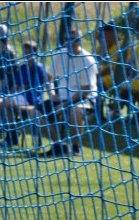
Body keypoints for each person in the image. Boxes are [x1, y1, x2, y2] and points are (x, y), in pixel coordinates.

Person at [40, 28, 99, 157]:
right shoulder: (59, 55)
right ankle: (58, 145)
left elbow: (86, 89)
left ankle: (76, 146)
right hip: (61, 97)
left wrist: (65, 105)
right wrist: (52, 94)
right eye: (69, 39)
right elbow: (48, 78)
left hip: (83, 98)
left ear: (81, 41)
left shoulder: (88, 60)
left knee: (75, 110)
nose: (72, 43)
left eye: (75, 40)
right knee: (35, 112)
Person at [0, 40, 51, 147]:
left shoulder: (38, 67)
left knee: (4, 104)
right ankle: (12, 133)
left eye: (30, 53)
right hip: (19, 97)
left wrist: (51, 95)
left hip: (31, 99)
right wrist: (12, 92)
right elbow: (16, 86)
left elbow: (38, 84)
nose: (27, 56)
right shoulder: (22, 68)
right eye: (26, 53)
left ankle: (12, 134)